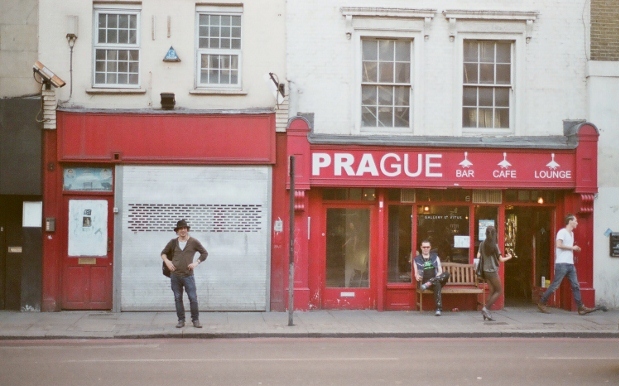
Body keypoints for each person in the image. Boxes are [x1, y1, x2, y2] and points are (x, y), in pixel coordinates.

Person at [537, 214, 595, 315]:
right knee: (555, 285)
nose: (577, 223)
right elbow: (558, 245)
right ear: (570, 221)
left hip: (570, 264)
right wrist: (573, 248)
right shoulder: (562, 232)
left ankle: (581, 307)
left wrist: (574, 248)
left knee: (575, 285)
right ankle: (542, 302)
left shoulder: (572, 234)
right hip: (562, 263)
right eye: (575, 221)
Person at [161, 219, 208, 328]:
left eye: (184, 228)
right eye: (180, 229)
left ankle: (195, 320)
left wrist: (196, 262)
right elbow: (163, 253)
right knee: (178, 298)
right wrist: (167, 262)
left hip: (188, 275)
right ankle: (181, 320)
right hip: (175, 275)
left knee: (193, 298)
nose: (183, 230)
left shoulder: (193, 242)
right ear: (177, 231)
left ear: (187, 229)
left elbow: (204, 253)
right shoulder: (173, 242)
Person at [477, 226, 512, 321]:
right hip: (492, 271)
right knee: (499, 290)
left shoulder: (482, 244)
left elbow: (478, 255)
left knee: (492, 290)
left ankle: (487, 313)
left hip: (485, 271)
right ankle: (486, 309)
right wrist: (509, 257)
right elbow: (501, 259)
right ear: (494, 234)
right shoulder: (494, 246)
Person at [413, 240, 450, 316]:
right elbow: (416, 273)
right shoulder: (417, 259)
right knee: (437, 284)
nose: (426, 249)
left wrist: (435, 278)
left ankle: (431, 282)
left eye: (427, 247)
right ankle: (438, 309)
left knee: (446, 274)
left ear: (430, 248)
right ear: (421, 248)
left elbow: (440, 271)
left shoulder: (435, 257)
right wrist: (417, 276)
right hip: (424, 282)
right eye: (424, 247)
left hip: (434, 279)